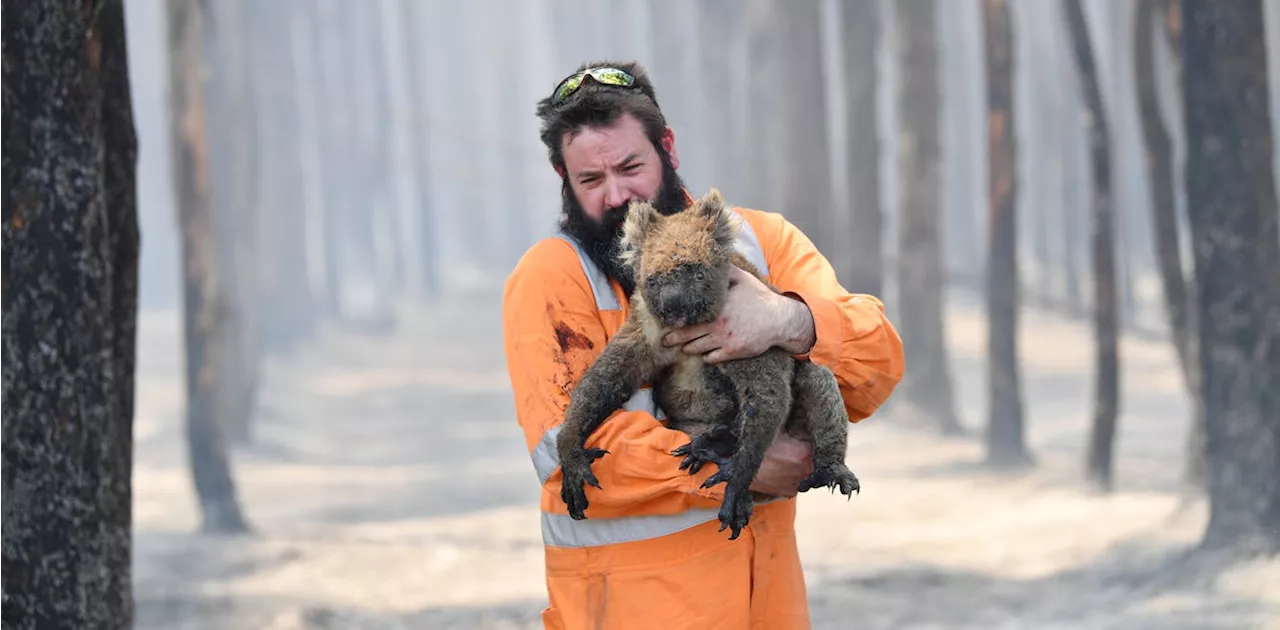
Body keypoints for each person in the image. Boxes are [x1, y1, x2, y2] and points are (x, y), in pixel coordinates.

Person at [501, 60, 905, 630]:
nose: (616, 195)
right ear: (563, 178)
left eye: (630, 167)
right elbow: (559, 445)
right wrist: (737, 466)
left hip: (768, 607)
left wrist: (789, 320)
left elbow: (878, 363)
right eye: (591, 180)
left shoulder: (760, 242)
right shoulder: (553, 276)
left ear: (667, 147)